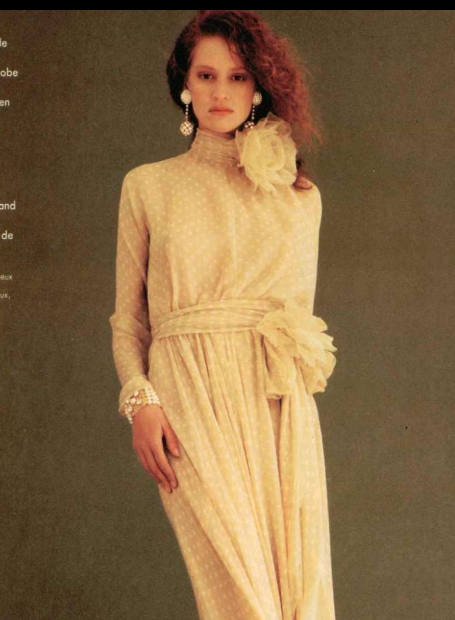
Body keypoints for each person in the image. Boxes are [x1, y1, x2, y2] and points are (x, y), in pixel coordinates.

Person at [109, 10, 338, 620]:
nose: (221, 92)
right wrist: (140, 399)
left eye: (238, 77)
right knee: (240, 598)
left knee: (295, 597)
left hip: (276, 404)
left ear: (259, 87)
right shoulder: (148, 186)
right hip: (188, 397)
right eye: (206, 75)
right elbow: (129, 321)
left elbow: (299, 320)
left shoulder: (300, 197)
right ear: (184, 83)